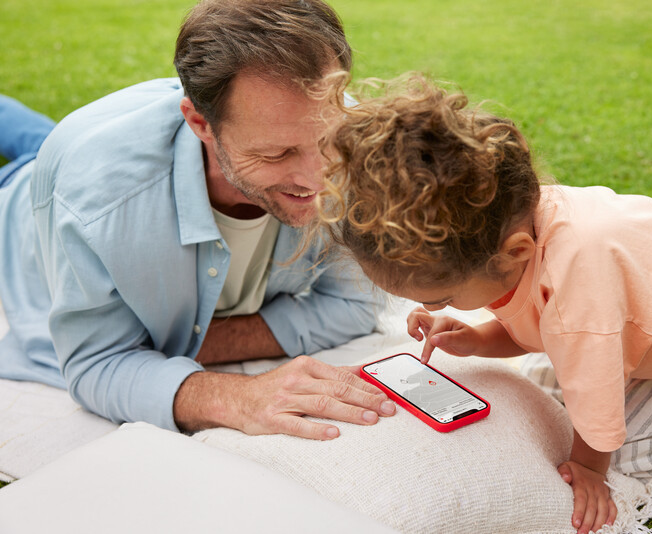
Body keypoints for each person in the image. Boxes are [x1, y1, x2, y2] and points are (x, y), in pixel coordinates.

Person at [315, 74, 652, 534]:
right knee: (548, 389)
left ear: (515, 254)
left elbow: (597, 387)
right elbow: (541, 326)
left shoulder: (578, 282)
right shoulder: (504, 227)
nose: (440, 308)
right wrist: (479, 338)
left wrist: (589, 469)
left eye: (443, 298)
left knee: (628, 453)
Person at [0, 0, 397, 442]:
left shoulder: (354, 142)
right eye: (276, 153)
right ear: (199, 123)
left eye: (326, 139)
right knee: (27, 156)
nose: (318, 179)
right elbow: (97, 363)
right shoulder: (96, 203)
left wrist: (174, 349)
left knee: (30, 135)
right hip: (18, 202)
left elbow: (354, 305)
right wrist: (235, 396)